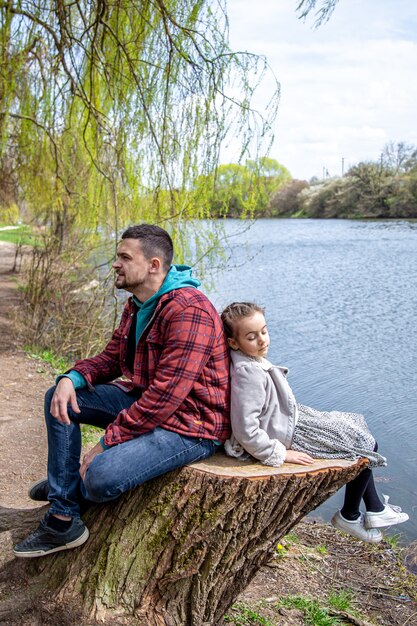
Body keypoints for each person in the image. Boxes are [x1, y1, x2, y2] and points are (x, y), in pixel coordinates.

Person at [14, 224, 230, 558]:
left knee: (101, 477)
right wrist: (71, 378)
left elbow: (165, 398)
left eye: (124, 257)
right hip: (148, 403)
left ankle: (69, 487)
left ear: (154, 265)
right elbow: (112, 358)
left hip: (190, 426)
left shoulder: (189, 310)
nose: (116, 263)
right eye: (117, 256)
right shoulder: (139, 304)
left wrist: (105, 443)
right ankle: (63, 515)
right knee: (59, 397)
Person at [220, 302, 409, 543]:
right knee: (364, 443)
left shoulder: (249, 359)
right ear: (234, 343)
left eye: (264, 331)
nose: (262, 340)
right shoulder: (248, 372)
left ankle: (373, 508)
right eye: (252, 336)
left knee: (355, 426)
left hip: (287, 419)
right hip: (286, 435)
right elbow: (245, 429)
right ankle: (351, 515)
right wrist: (278, 453)